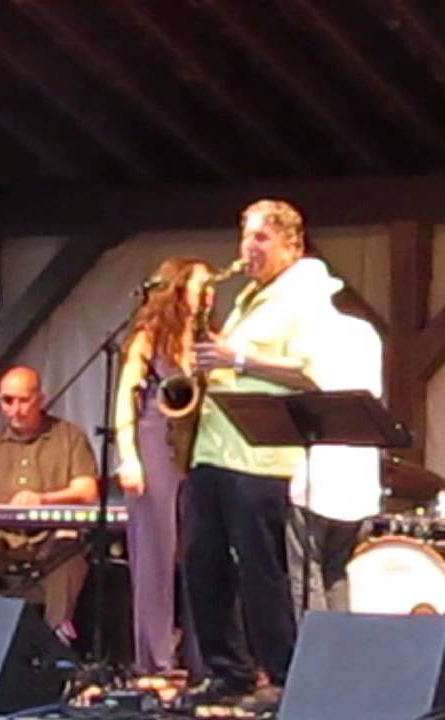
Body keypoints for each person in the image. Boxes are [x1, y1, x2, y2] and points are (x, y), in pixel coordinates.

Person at [182, 198, 335, 709]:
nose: (248, 249)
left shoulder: (308, 295)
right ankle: (229, 671)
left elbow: (310, 372)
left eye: (261, 238)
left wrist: (237, 356)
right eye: (245, 237)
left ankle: (286, 675)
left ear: (292, 243)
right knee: (202, 561)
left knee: (260, 570)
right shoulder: (251, 295)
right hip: (214, 447)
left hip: (261, 454)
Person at [114, 257, 213, 678]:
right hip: (154, 440)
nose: (208, 295)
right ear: (178, 288)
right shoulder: (150, 334)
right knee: (154, 553)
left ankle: (202, 657)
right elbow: (125, 395)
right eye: (200, 286)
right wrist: (128, 455)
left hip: (196, 445)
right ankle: (154, 661)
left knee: (198, 551)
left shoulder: (208, 337)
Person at [0, 366, 99, 633]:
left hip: (50, 538)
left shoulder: (69, 437)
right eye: (7, 401)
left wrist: (43, 499)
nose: (15, 409)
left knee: (69, 553)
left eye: (23, 400)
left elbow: (87, 490)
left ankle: (54, 641)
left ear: (41, 399)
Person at [286, 309, 383, 616]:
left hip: (318, 474)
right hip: (360, 478)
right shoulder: (365, 331)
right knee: (337, 574)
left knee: (307, 575)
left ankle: (317, 655)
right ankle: (343, 653)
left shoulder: (305, 334)